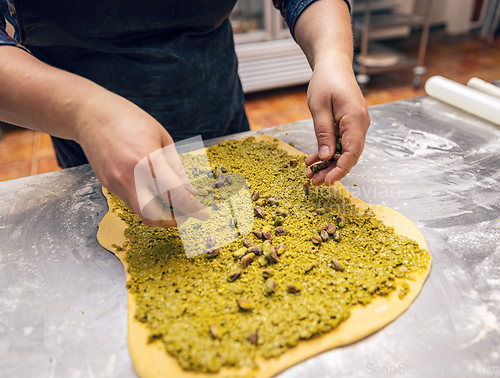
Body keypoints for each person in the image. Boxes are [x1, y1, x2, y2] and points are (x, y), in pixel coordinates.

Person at [0, 0, 370, 227]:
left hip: (215, 110)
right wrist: (86, 112)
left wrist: (333, 57)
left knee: (230, 247)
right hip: (93, 138)